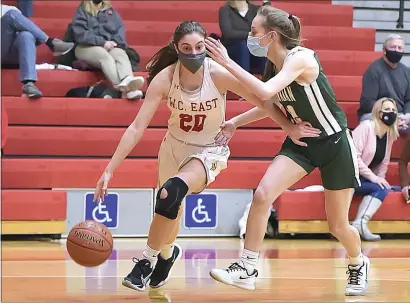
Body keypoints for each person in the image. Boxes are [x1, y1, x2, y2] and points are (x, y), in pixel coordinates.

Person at [93, 21, 295, 292]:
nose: (194, 52)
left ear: (207, 47)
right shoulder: (165, 78)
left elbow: (265, 101)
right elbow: (137, 127)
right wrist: (109, 169)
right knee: (168, 212)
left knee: (171, 192)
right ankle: (166, 255)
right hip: (173, 148)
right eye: (186, 48)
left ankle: (145, 262)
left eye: (199, 47)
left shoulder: (218, 74)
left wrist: (288, 126)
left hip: (210, 149)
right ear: (176, 48)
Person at [205, 5, 370, 296]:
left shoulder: (301, 59)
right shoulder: (274, 65)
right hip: (302, 143)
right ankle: (247, 267)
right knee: (262, 195)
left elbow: (266, 93)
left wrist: (228, 62)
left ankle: (358, 262)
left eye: (254, 31)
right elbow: (269, 103)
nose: (249, 36)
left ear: (271, 36)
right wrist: (235, 122)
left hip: (334, 144)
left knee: (338, 225)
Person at [71, 0, 144, 100]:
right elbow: (80, 34)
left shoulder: (112, 12)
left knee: (120, 53)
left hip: (109, 45)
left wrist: (114, 42)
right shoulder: (82, 11)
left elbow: (120, 30)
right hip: (85, 47)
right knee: (104, 56)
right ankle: (127, 90)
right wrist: (102, 42)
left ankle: (127, 78)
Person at [351, 97, 400, 241]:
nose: (391, 113)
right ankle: (360, 222)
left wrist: (381, 178)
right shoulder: (366, 126)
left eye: (393, 110)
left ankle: (360, 223)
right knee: (381, 188)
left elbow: (384, 161)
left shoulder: (389, 133)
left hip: (364, 177)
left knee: (393, 188)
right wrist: (374, 178)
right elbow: (354, 157)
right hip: (349, 176)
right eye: (387, 110)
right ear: (378, 113)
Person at [1, 4, 74, 98]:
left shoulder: (10, 9)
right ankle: (50, 42)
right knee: (10, 16)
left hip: (12, 54)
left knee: (26, 35)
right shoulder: (11, 14)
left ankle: (29, 84)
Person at [357, 34, 410, 133]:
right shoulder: (373, 70)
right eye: (393, 47)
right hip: (378, 115)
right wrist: (391, 117)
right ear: (384, 50)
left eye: (400, 48)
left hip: (401, 117)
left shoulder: (406, 71)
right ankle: (392, 126)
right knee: (368, 121)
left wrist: (407, 116)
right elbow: (368, 102)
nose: (396, 50)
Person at [219, 0, 267, 75]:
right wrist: (250, 34)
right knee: (242, 44)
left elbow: (266, 26)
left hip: (253, 46)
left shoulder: (256, 9)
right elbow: (228, 34)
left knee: (264, 44)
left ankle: (266, 77)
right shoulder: (225, 10)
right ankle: (244, 77)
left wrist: (266, 2)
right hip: (233, 48)